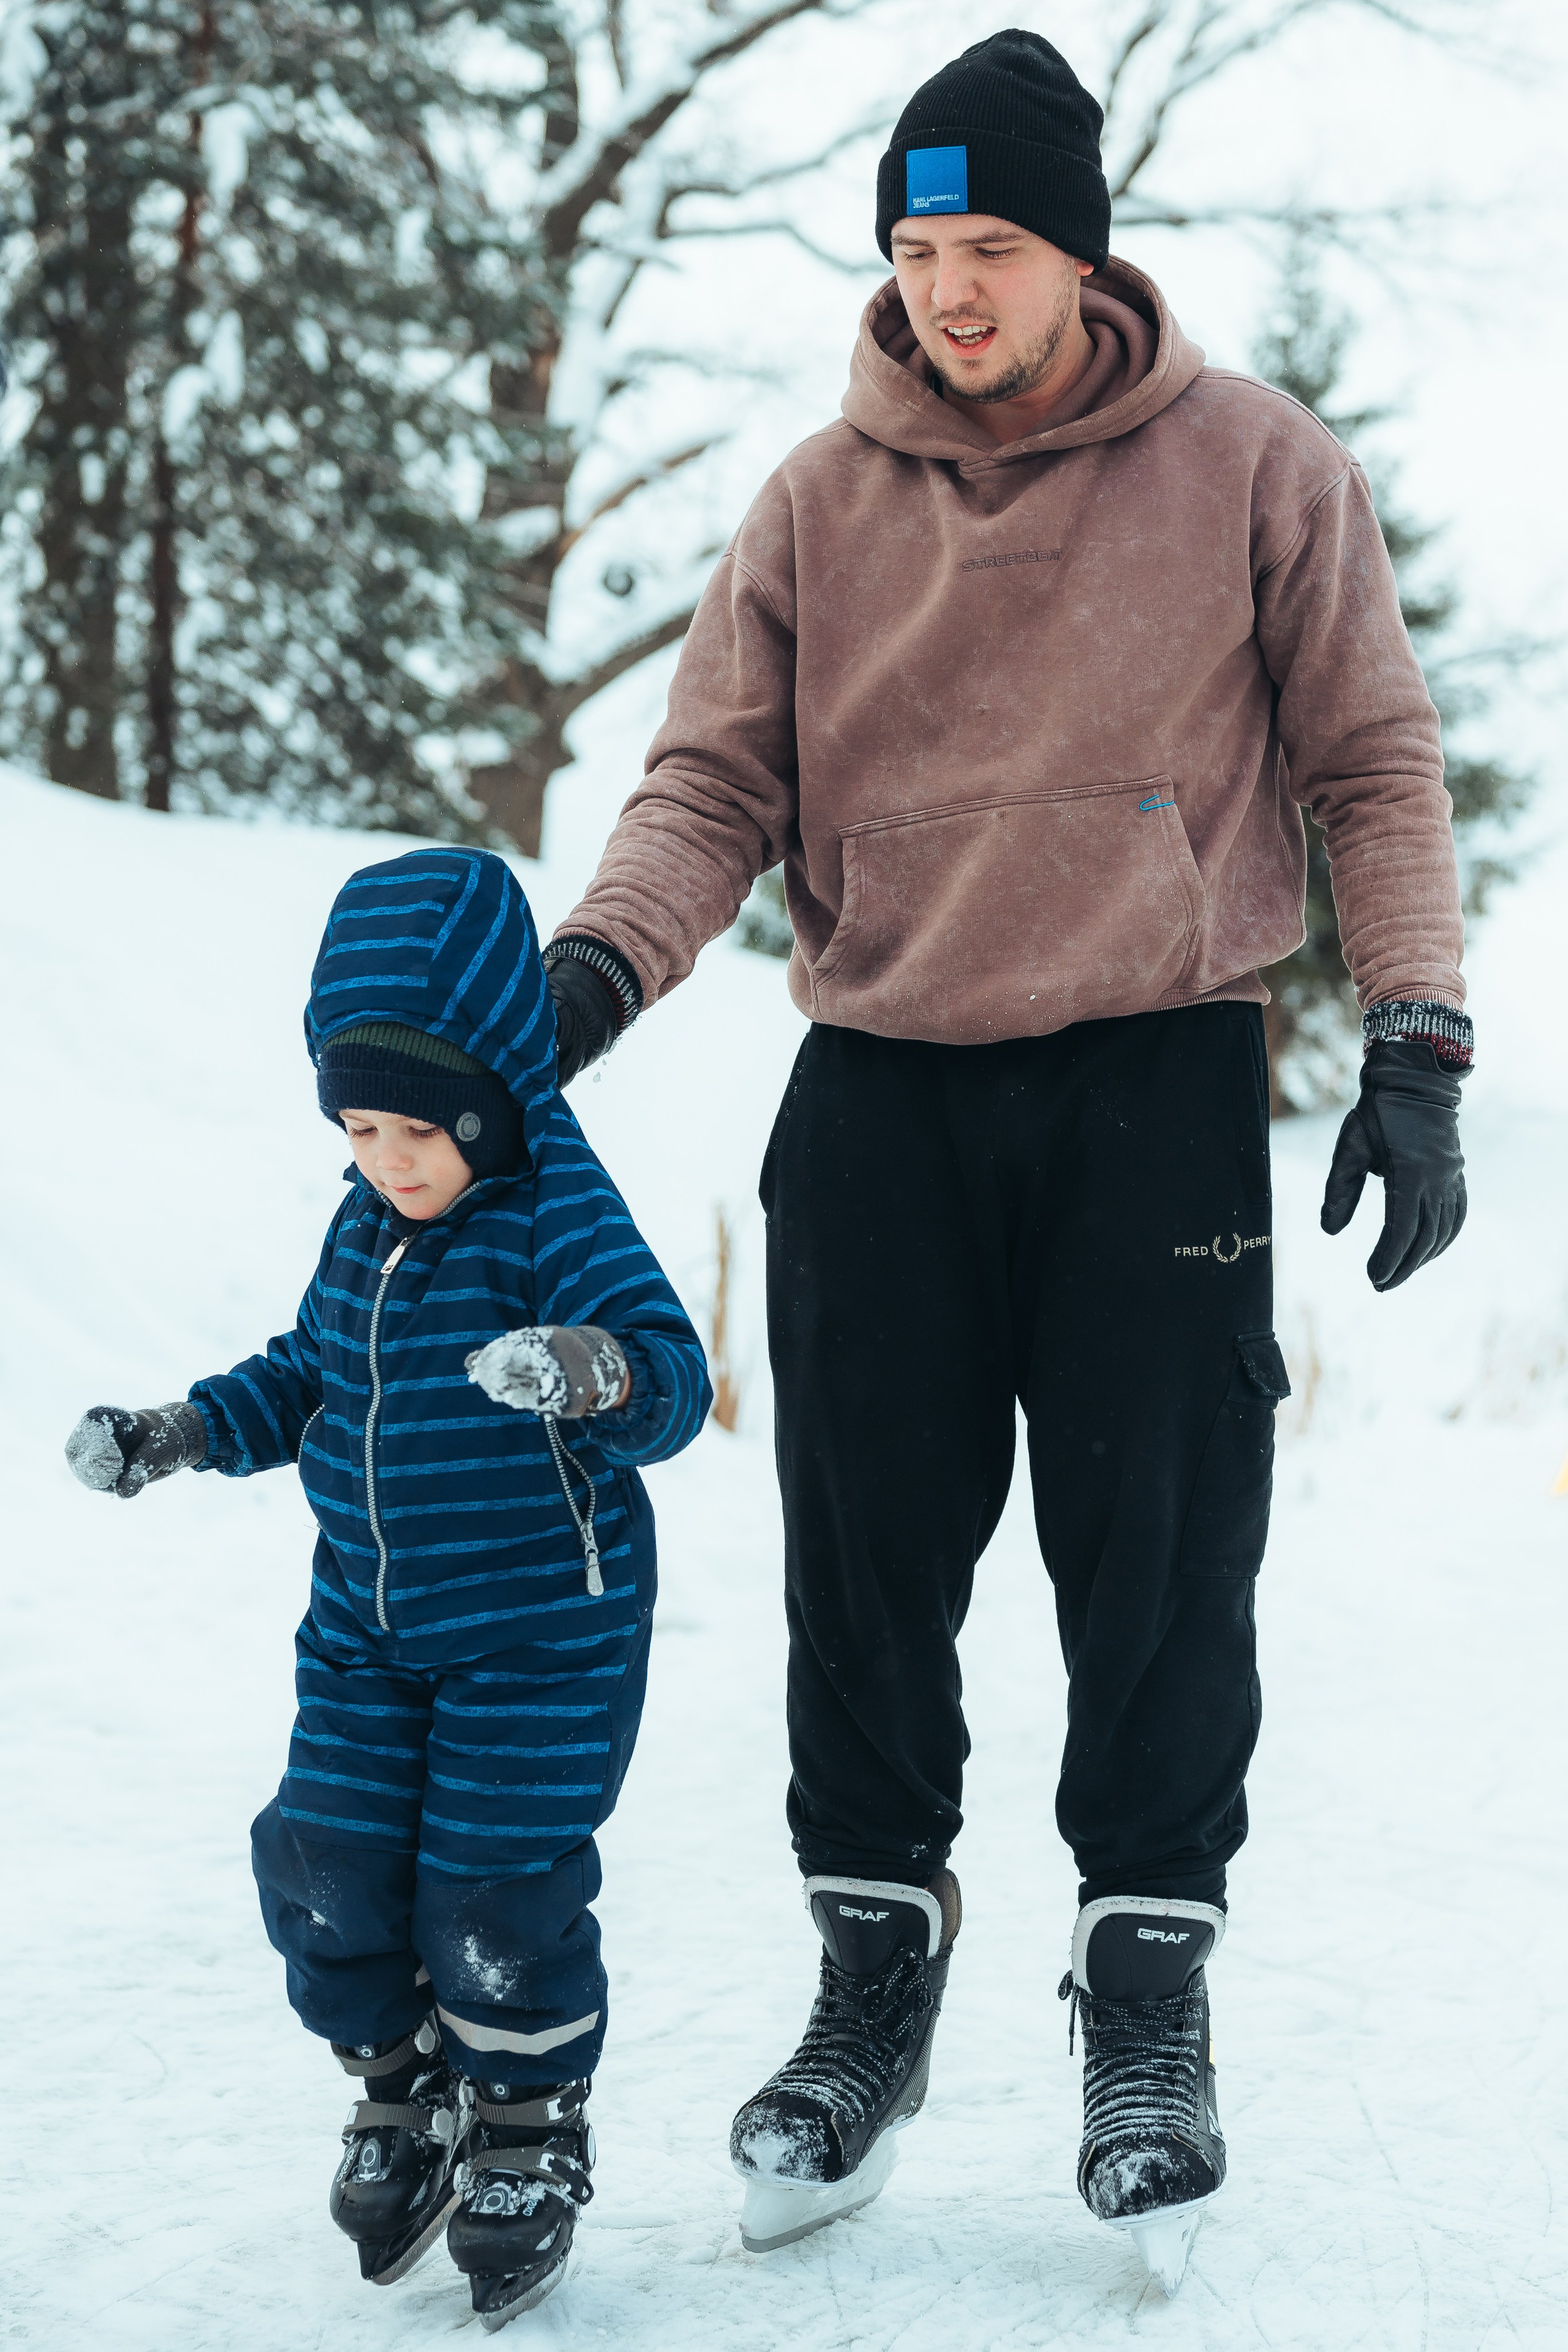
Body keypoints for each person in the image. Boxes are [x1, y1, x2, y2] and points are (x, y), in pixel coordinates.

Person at [540, 26, 1469, 2294]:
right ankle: (875, 1987)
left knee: (1158, 1556)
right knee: (863, 1563)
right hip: (881, 1088)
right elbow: (704, 793)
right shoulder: (812, 506)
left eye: (996, 248)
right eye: (921, 246)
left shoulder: (1255, 464)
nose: (953, 290)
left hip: (1154, 1064)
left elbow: (1372, 753)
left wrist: (1422, 1029)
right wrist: (577, 988)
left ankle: (1144, 2002)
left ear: (1083, 253)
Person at [65, 847, 711, 2329]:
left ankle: (528, 2131)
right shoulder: (365, 1226)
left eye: (416, 1128)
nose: (385, 1160)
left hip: (540, 1636)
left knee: (489, 1894)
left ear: (494, 1100)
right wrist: (177, 1433)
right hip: (364, 1630)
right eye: (356, 1127)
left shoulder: (555, 1215)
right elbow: (306, 1378)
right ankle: (400, 2089)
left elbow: (673, 1380)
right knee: (323, 1865)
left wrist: (586, 1370)